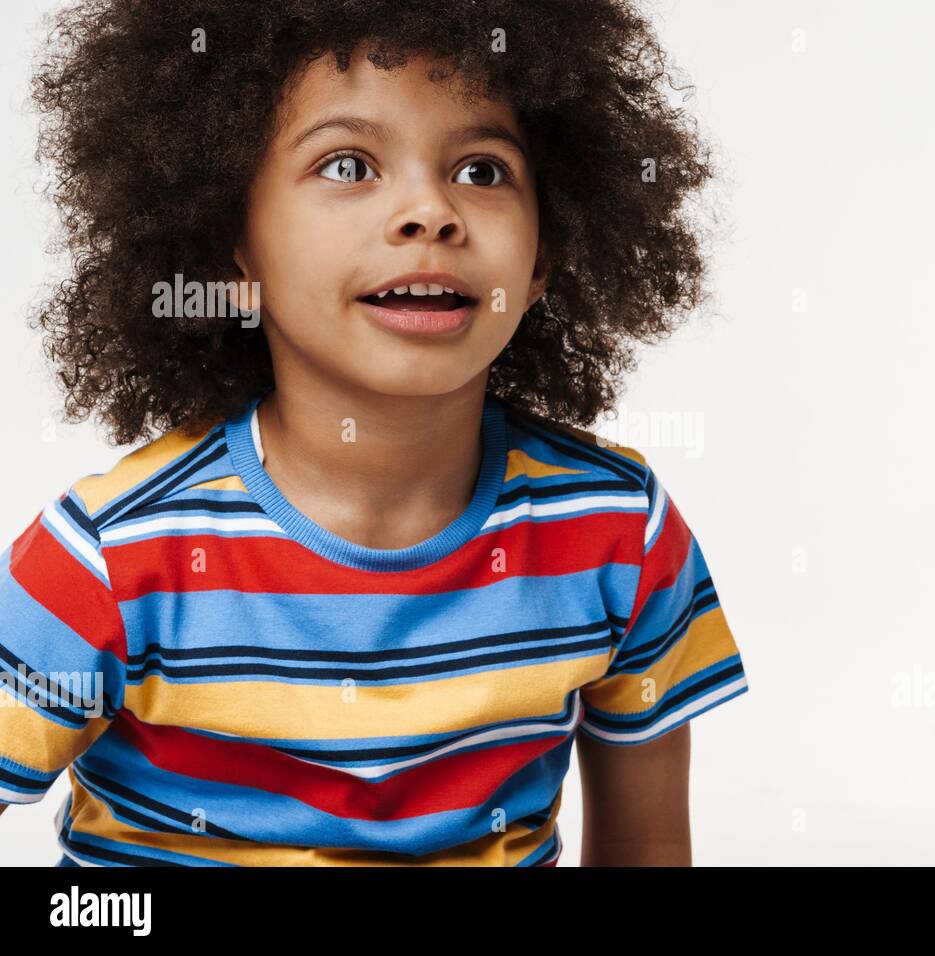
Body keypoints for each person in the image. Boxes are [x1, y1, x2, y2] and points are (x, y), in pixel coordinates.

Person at [0, 0, 748, 866]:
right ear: (228, 248)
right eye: (349, 164)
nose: (429, 211)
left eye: (482, 171)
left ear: (544, 256)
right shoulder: (112, 559)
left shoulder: (618, 533)